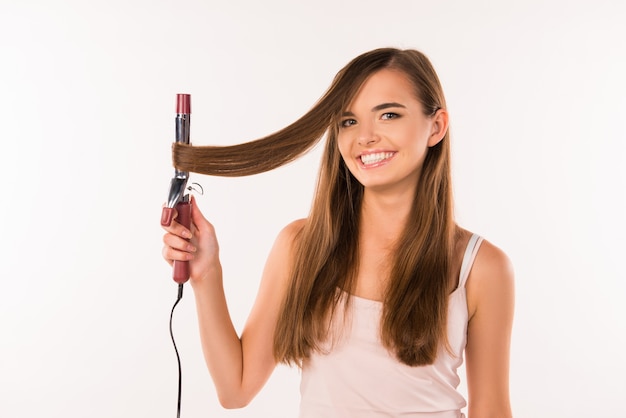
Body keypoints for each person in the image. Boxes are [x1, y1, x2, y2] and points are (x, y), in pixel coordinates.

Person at [161, 47, 515, 418]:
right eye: (348, 122)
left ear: (436, 127)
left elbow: (491, 410)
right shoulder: (300, 247)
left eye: (389, 115)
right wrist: (206, 272)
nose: (365, 137)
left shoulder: (482, 268)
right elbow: (236, 388)